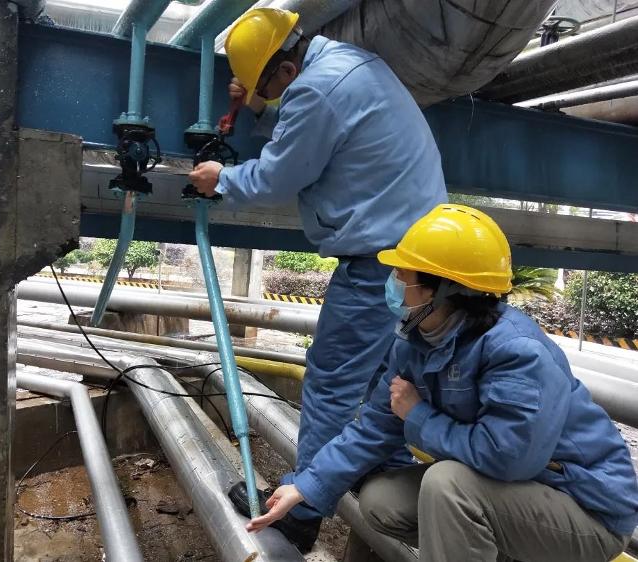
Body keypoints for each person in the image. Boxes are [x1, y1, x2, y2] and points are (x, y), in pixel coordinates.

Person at [245, 203, 638, 561]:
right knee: (381, 499)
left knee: (447, 485)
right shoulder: (415, 341)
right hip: (513, 491)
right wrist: (305, 488)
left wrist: (418, 415)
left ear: (442, 287)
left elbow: (508, 458)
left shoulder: (516, 352)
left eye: (402, 275)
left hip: (584, 505)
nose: (393, 282)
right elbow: (374, 428)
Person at [188, 8, 447, 550]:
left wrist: (221, 179)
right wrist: (258, 105)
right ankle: (392, 481)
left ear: (286, 70)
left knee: (332, 381)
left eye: (267, 86)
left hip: (378, 262)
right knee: (387, 382)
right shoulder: (348, 65)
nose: (269, 96)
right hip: (416, 257)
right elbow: (311, 135)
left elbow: (279, 174)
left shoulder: (315, 91)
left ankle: (302, 512)